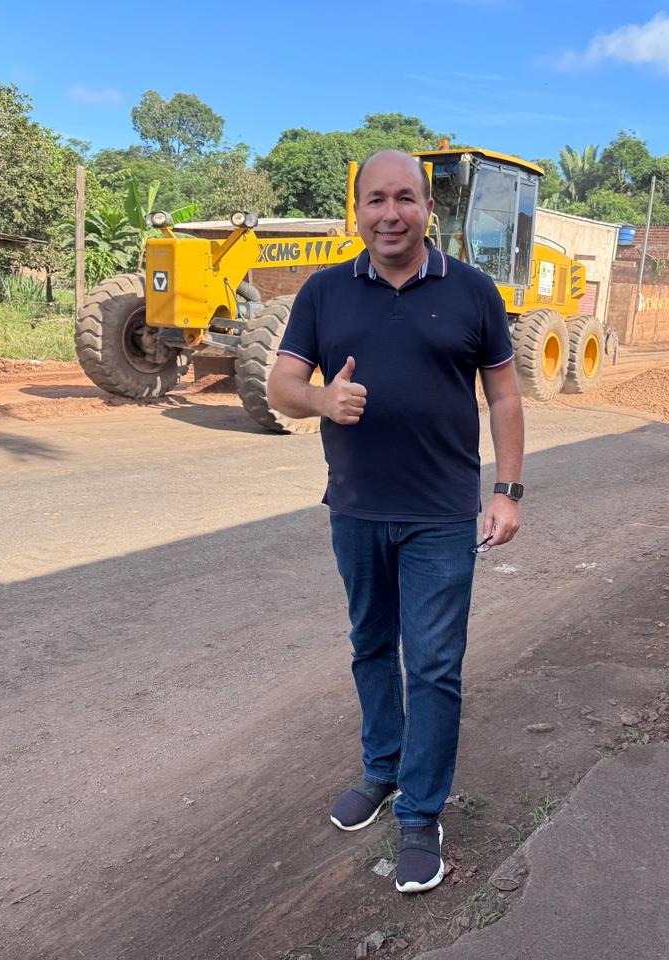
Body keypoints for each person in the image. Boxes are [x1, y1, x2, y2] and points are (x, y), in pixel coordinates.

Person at [266, 150, 525, 894]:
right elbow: (282, 383)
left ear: (428, 209)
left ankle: (420, 812)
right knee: (371, 647)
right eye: (375, 199)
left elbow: (505, 396)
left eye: (405, 198)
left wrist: (507, 490)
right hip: (355, 509)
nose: (390, 213)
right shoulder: (323, 292)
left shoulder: (472, 290)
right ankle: (382, 770)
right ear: (357, 212)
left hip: (441, 516)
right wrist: (320, 400)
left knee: (434, 665)